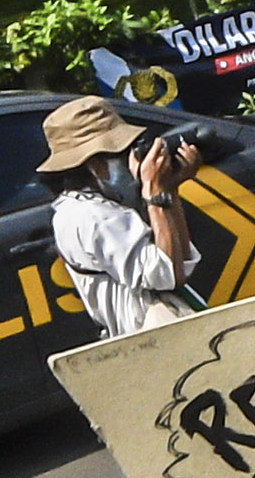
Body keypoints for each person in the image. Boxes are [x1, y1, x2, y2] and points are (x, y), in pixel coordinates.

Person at [42, 96, 208, 339]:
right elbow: (167, 275)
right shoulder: (92, 216)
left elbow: (179, 261)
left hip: (151, 334)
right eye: (119, 152)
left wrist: (169, 192)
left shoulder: (82, 207)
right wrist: (154, 193)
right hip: (151, 336)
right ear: (95, 164)